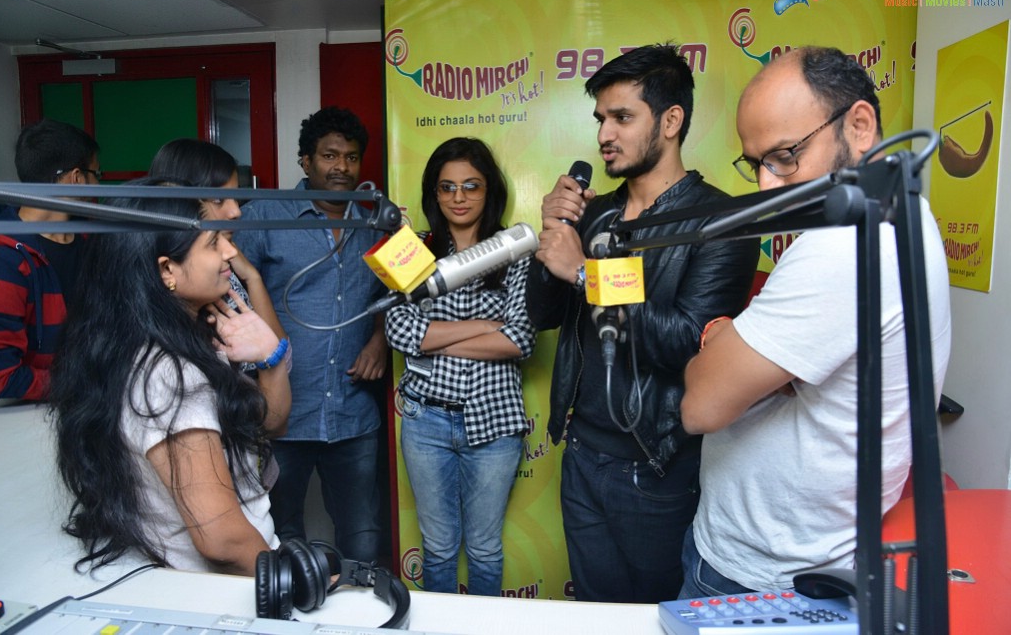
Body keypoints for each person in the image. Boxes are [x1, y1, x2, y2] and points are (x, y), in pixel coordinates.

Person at [678, 46, 952, 597]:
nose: (766, 185)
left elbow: (700, 405)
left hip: (764, 573)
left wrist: (721, 337)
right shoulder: (898, 212)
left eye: (784, 155)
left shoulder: (846, 245)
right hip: (777, 553)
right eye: (755, 163)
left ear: (859, 125)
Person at [525, 43, 760, 603]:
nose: (605, 133)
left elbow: (689, 340)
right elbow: (542, 314)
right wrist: (553, 230)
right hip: (580, 452)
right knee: (597, 611)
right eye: (601, 119)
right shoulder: (597, 212)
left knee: (653, 616)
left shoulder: (722, 221)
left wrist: (585, 274)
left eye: (622, 117)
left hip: (655, 464)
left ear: (671, 121)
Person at [50, 182, 290, 575]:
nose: (230, 251)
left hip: (244, 569)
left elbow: (272, 424)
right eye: (213, 243)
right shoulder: (171, 373)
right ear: (167, 270)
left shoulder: (176, 338)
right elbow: (222, 539)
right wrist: (299, 582)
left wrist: (271, 360)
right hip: (235, 584)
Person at [234, 106, 386, 563]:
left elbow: (396, 295)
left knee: (362, 534)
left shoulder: (375, 221)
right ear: (306, 161)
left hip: (352, 413)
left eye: (352, 158)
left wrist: (378, 340)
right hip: (282, 413)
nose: (341, 167)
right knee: (281, 533)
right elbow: (230, 297)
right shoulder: (264, 216)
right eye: (329, 156)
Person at [385, 137, 536, 595]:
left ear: (489, 191)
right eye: (447, 187)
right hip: (425, 419)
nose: (458, 197)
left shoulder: (515, 250)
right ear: (434, 193)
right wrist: (484, 326)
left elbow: (520, 339)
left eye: (471, 186)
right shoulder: (410, 251)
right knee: (439, 549)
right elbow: (402, 334)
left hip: (495, 419)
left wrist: (436, 339)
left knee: (486, 550)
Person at [149, 139, 290, 425]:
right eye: (218, 200)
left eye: (235, 198)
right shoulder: (181, 287)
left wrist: (252, 277)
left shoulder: (226, 269)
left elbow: (280, 356)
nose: (235, 211)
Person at [0, 119, 99, 400]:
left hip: (88, 405)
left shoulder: (89, 242)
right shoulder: (4, 261)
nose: (99, 184)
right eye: (96, 174)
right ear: (77, 178)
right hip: (29, 418)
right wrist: (85, 386)